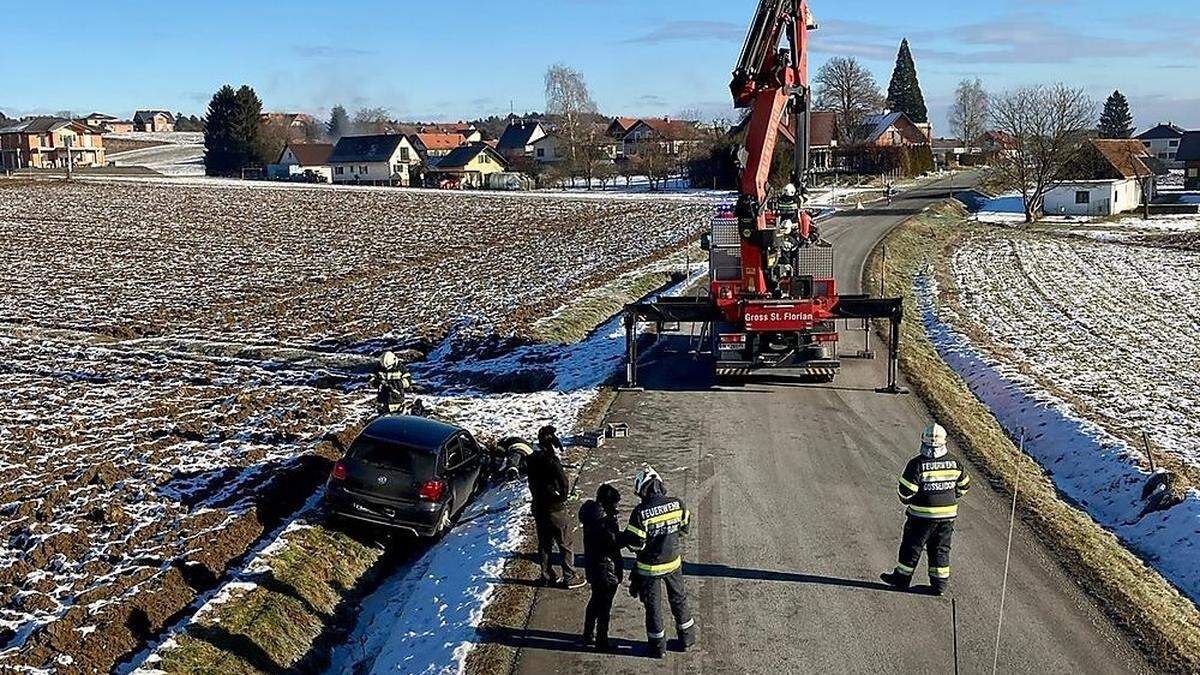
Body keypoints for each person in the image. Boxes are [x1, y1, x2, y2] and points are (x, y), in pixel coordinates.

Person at [881, 423, 971, 596]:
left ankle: (902, 579)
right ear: (945, 442)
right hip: (947, 517)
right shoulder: (955, 462)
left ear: (923, 441)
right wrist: (950, 497)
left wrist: (912, 501)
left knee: (912, 546)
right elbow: (964, 487)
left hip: (921, 516)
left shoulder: (917, 464)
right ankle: (939, 585)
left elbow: (905, 493)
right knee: (941, 549)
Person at [623, 465, 696, 658]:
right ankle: (687, 639)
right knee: (679, 600)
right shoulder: (677, 504)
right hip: (673, 563)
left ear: (642, 489)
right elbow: (684, 528)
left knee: (653, 607)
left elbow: (635, 544)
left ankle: (658, 647)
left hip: (650, 569)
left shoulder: (640, 513)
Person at [526, 425, 584, 588]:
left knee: (544, 544)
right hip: (555, 508)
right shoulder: (552, 462)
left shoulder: (531, 459)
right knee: (565, 542)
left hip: (538, 506)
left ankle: (546, 575)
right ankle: (569, 576)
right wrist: (563, 498)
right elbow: (564, 483)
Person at [579, 483, 624, 650]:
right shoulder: (605, 522)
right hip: (606, 568)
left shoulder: (591, 515)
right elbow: (614, 543)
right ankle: (601, 640)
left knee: (595, 601)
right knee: (605, 606)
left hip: (593, 565)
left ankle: (588, 633)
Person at [371, 351, 411, 416]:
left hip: (397, 400)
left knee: (399, 421)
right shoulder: (378, 367)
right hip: (383, 401)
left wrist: (394, 384)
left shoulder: (400, 368)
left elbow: (408, 382)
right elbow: (371, 379)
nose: (386, 368)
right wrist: (378, 383)